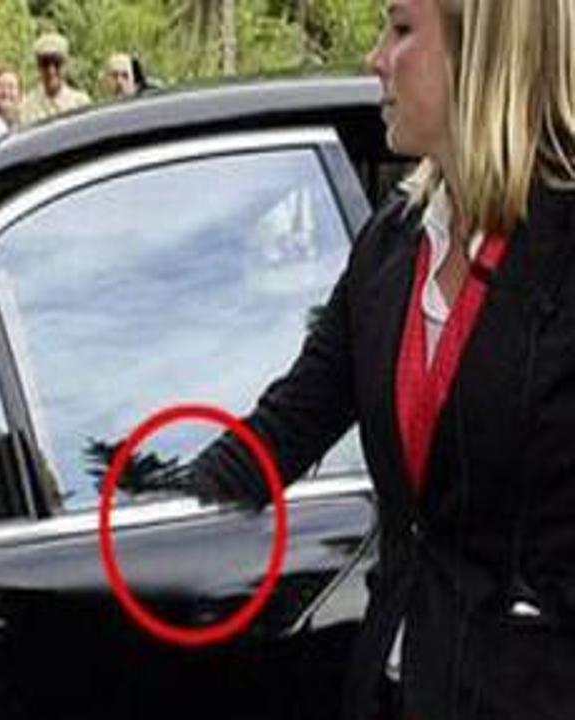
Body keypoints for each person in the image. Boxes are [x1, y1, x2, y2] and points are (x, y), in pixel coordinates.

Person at [190, 1, 575, 718]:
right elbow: (283, 428)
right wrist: (154, 502)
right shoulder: (390, 245)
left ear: (477, 50)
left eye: (399, 30)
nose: (374, 59)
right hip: (396, 686)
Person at [19, 32, 90, 125]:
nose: (51, 71)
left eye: (57, 63)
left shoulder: (80, 103)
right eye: (45, 63)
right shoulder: (27, 107)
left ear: (65, 65)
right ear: (38, 67)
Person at [0, 68, 23, 132]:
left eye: (11, 87)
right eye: (1, 86)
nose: (5, 92)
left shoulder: (28, 126)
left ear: (20, 94)